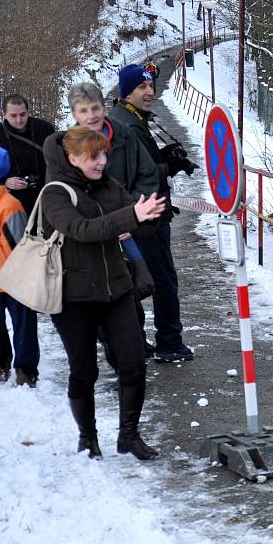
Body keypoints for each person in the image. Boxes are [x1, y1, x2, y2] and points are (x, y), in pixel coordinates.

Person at [42, 126, 165, 460]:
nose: (102, 161)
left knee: (134, 363)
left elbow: (135, 220)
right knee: (84, 372)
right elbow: (83, 230)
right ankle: (88, 437)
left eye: (104, 154)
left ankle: (129, 436)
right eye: (94, 156)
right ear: (72, 158)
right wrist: (130, 216)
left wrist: (150, 215)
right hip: (73, 299)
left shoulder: (110, 186)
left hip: (117, 289)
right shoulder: (54, 193)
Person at [108, 64, 196, 364]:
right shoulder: (127, 126)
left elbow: (140, 165)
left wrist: (162, 158)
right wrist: (167, 167)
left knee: (140, 278)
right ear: (126, 92)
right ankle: (168, 342)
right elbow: (127, 179)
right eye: (141, 88)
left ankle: (137, 341)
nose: (149, 92)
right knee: (160, 280)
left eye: (150, 87)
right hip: (146, 218)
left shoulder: (130, 120)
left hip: (146, 215)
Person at [66, 82, 160, 358]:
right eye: (84, 111)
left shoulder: (125, 136)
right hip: (91, 237)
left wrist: (128, 216)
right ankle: (114, 348)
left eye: (95, 108)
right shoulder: (65, 147)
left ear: (104, 108)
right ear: (75, 115)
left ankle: (131, 348)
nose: (91, 115)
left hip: (129, 231)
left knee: (132, 292)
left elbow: (148, 176)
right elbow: (62, 195)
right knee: (98, 297)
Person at [0, 145, 40, 387]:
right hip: (13, 277)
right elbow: (20, 243)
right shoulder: (9, 204)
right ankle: (25, 370)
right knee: (24, 324)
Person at [0, 93, 56, 215]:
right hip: (11, 202)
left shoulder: (44, 129)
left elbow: (58, 159)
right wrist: (4, 182)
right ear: (4, 114)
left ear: (28, 112)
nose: (19, 120)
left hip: (46, 196)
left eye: (23, 114)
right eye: (13, 115)